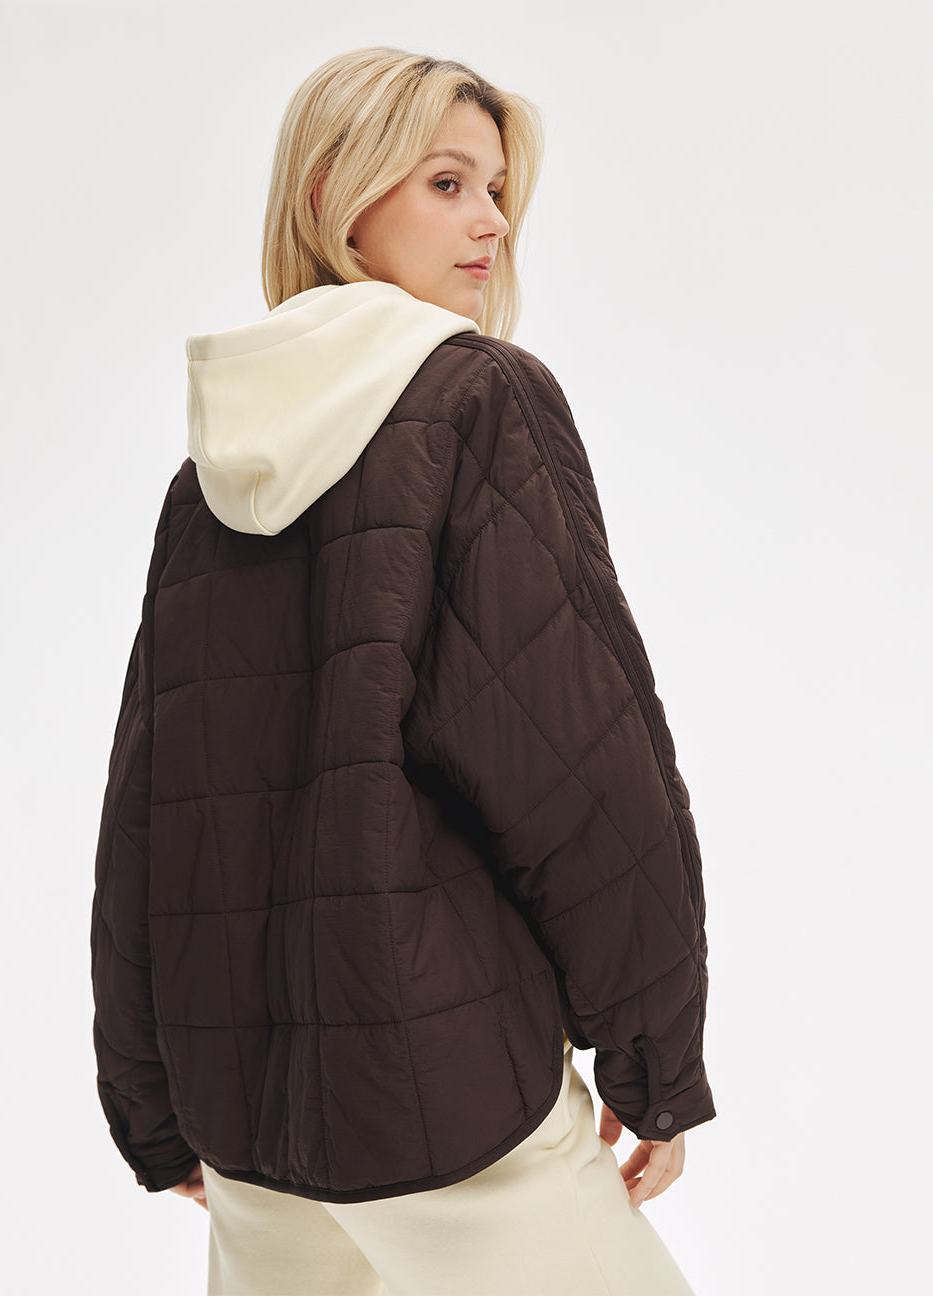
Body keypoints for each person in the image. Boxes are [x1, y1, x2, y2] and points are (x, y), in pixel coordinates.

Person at [91, 45, 716, 1296]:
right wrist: (654, 1057)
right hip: (450, 1105)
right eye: (447, 182)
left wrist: (152, 1103)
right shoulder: (478, 400)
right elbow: (578, 760)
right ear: (335, 191)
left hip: (248, 1124)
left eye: (497, 190)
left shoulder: (210, 474)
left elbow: (148, 812)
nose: (493, 222)